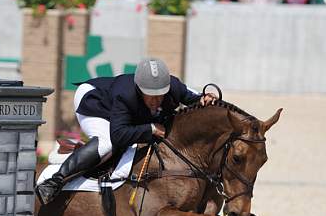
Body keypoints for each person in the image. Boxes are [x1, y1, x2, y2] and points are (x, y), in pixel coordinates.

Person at [35, 58, 215, 205]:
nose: (156, 101)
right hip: (95, 102)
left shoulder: (173, 87)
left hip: (117, 108)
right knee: (108, 144)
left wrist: (204, 99)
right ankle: (54, 181)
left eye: (160, 94)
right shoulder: (125, 95)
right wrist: (150, 128)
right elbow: (119, 135)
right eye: (150, 95)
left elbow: (195, 98)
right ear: (139, 89)